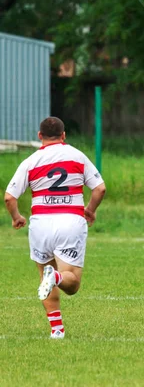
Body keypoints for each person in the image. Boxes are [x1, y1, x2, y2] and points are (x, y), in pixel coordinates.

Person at [3, 117, 106, 339]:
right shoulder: (77, 156)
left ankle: (57, 330)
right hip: (70, 222)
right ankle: (57, 278)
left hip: (41, 224)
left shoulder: (31, 161)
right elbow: (100, 189)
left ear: (40, 136)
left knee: (44, 275)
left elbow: (9, 197)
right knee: (72, 283)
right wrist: (90, 209)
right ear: (64, 135)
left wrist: (16, 217)